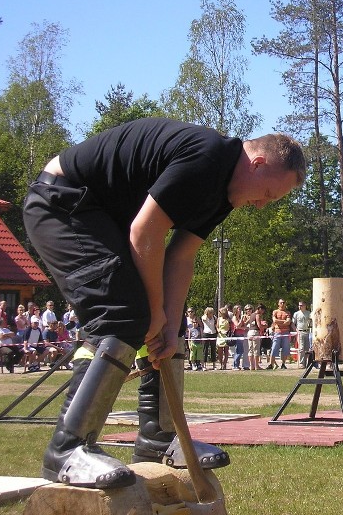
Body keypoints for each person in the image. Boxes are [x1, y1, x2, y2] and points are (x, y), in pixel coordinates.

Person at [22, 117, 305, 488]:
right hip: (62, 204)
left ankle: (157, 440)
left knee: (166, 327)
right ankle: (66, 451)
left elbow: (181, 257)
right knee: (122, 316)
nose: (261, 207)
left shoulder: (226, 191)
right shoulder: (206, 159)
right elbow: (145, 231)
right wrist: (154, 311)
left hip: (105, 219)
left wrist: (169, 324)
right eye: (267, 195)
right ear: (257, 164)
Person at [269, 299, 292, 369]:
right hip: (277, 332)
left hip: (286, 332)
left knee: (285, 349)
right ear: (278, 304)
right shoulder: (275, 311)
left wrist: (280, 322)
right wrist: (283, 321)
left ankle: (283, 364)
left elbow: (288, 322)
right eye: (281, 302)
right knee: (274, 348)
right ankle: (271, 364)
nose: (282, 304)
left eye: (283, 302)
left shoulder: (287, 312)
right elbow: (274, 320)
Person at [293, 300, 312, 367]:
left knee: (307, 348)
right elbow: (293, 323)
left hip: (307, 331)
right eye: (299, 305)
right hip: (300, 332)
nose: (300, 306)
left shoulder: (309, 313)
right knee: (301, 348)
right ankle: (301, 363)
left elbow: (311, 322)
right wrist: (296, 330)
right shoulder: (296, 314)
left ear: (305, 306)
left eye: (301, 305)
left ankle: (306, 363)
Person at [233, 305, 252, 370]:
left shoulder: (240, 317)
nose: (240, 310)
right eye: (238, 309)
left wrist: (247, 322)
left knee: (240, 350)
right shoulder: (234, 317)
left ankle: (237, 365)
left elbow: (243, 325)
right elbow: (237, 326)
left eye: (240, 309)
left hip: (242, 334)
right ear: (235, 310)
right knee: (239, 351)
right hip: (237, 335)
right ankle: (235, 365)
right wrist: (242, 320)